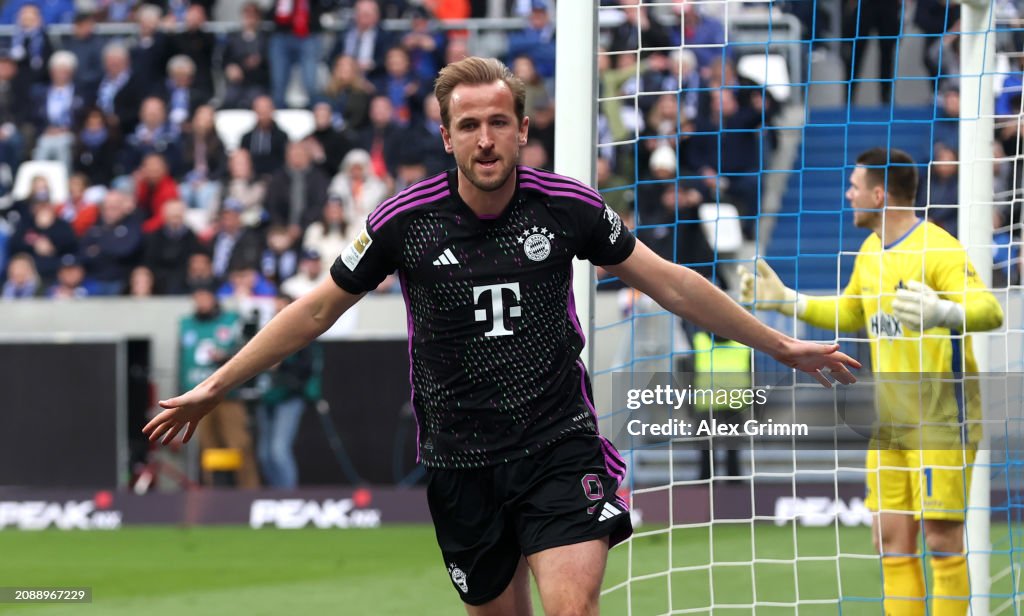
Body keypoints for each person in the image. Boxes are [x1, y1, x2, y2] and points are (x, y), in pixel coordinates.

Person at [145, 57, 858, 615]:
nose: (485, 139)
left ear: (522, 128)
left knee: (573, 607)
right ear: (447, 133)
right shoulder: (404, 221)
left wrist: (781, 344)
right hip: (460, 461)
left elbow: (670, 281)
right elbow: (313, 311)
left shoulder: (569, 207)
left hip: (557, 444)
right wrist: (212, 388)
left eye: (498, 122)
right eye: (468, 125)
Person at [740, 148, 1004, 616]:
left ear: (880, 194)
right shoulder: (870, 251)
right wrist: (787, 301)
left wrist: (945, 312)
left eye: (856, 186)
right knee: (890, 540)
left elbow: (990, 311)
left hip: (940, 419)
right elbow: (851, 311)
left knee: (942, 540)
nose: (848, 194)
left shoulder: (938, 248)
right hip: (889, 421)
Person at [176, 278, 261, 488]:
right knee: (207, 449)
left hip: (227, 395)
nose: (202, 301)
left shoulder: (230, 320)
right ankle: (214, 499)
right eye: (198, 297)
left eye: (206, 296)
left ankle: (250, 495)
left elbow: (249, 349)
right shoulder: (186, 324)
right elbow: (181, 363)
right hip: (198, 398)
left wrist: (226, 356)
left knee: (239, 444)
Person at [255, 292, 322, 488]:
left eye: (283, 309)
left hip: (289, 397)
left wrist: (281, 364)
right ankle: (277, 497)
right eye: (276, 309)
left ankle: (288, 497)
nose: (279, 313)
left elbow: (307, 367)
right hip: (267, 396)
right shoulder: (266, 332)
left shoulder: (304, 334)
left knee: (278, 450)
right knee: (264, 454)